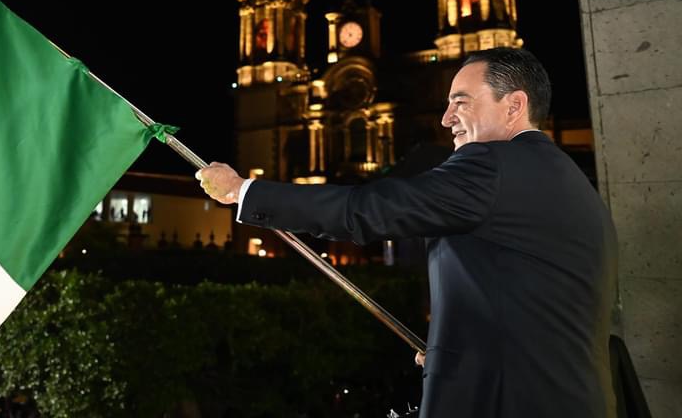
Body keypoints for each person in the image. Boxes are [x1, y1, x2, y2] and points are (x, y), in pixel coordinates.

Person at [197, 48, 617, 418]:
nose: (446, 118)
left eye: (460, 102)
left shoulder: (490, 165)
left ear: (514, 106)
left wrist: (242, 191)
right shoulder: (567, 179)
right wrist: (453, 351)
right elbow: (532, 305)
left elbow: (365, 211)